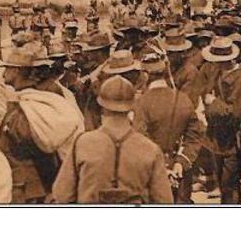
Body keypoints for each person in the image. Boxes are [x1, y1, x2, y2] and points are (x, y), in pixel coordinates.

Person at [52, 76, 174, 204]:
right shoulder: (150, 149)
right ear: (132, 106)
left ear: (102, 106)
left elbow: (62, 195)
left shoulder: (82, 143)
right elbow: (164, 202)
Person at [132, 52, 204, 203]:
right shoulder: (183, 99)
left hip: (152, 173)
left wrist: (161, 167)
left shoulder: (142, 103)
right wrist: (180, 162)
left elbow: (141, 139)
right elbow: (195, 135)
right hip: (180, 171)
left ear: (145, 76)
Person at [0, 45, 62, 203]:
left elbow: (35, 144)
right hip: (31, 186)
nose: (4, 73)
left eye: (8, 68)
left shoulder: (28, 108)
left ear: (18, 71)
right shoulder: (27, 101)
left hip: (27, 191)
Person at [201, 36, 241, 203]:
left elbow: (235, 114)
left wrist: (213, 102)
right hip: (217, 136)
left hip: (233, 139)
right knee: (223, 182)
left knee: (229, 182)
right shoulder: (218, 72)